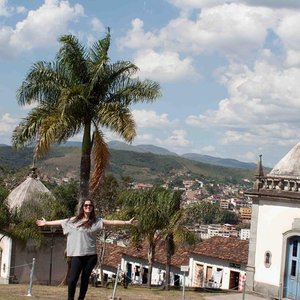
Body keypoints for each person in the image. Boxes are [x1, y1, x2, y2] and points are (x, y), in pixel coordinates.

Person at [36, 199, 136, 300]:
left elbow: (112, 222)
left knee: (84, 279)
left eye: (90, 205)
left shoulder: (96, 221)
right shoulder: (74, 220)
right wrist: (46, 223)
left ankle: (81, 298)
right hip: (77, 255)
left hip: (91, 256)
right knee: (73, 279)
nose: (88, 207)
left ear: (92, 208)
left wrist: (127, 222)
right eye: (86, 205)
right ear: (83, 207)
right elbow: (60, 222)